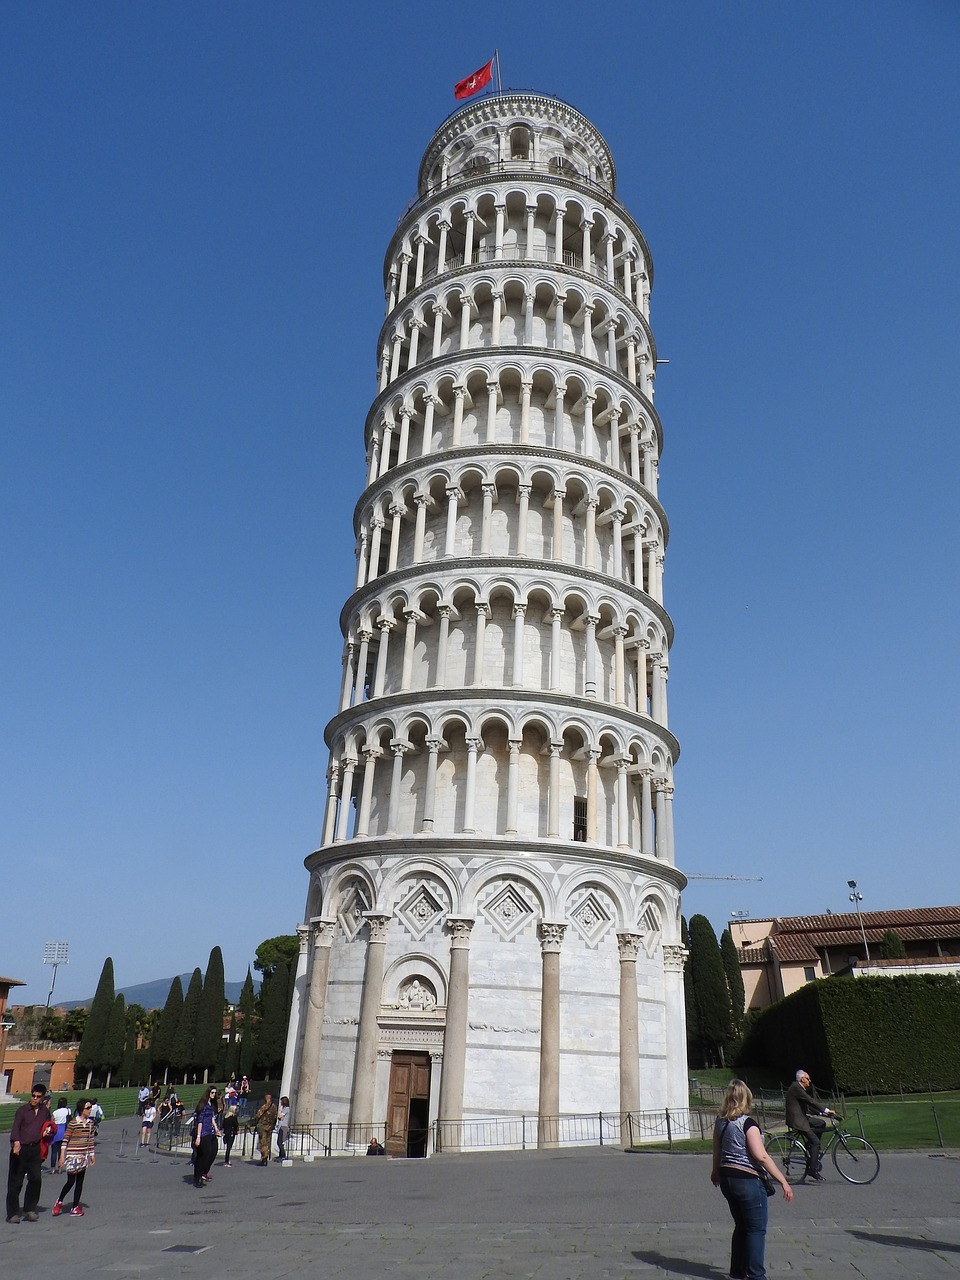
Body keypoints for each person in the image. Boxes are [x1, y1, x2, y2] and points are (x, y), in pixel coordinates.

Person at [712, 1078, 792, 1280]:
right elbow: (761, 1155)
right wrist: (782, 1180)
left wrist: (715, 1171)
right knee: (756, 1229)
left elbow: (716, 1150)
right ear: (746, 1098)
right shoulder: (748, 1123)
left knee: (741, 1225)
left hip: (727, 1177)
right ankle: (756, 1275)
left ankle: (737, 1271)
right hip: (748, 1180)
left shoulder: (721, 1122)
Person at [6, 1082, 52, 1223]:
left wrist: (48, 1131)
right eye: (33, 1095)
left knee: (36, 1179)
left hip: (35, 1149)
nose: (34, 1098)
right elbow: (16, 1128)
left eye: (38, 1096)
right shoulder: (22, 1111)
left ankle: (29, 1208)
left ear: (42, 1098)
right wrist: (16, 1142)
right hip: (21, 1148)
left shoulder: (44, 1111)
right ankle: (13, 1213)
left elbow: (48, 1125)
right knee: (16, 1181)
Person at [785, 1069, 837, 1182]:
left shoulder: (798, 1088)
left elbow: (808, 1106)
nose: (810, 1081)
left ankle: (810, 1147)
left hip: (802, 1117)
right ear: (802, 1079)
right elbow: (810, 1101)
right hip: (797, 1121)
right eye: (808, 1079)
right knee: (816, 1142)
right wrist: (826, 1109)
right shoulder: (796, 1088)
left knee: (821, 1123)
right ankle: (812, 1169)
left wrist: (822, 1113)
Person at [52, 1099, 97, 1218]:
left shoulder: (90, 1124)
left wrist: (92, 1155)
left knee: (80, 1182)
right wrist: (62, 1156)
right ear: (82, 1109)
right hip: (72, 1156)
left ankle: (75, 1207)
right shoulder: (73, 1123)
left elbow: (91, 1140)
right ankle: (59, 1202)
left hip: (83, 1156)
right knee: (70, 1181)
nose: (90, 1110)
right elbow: (65, 1140)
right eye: (88, 1108)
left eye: (90, 1107)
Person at [192, 1088, 222, 1187]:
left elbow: (212, 1118)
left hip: (211, 1132)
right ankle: (198, 1177)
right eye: (212, 1092)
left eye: (215, 1093)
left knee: (213, 1151)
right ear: (208, 1093)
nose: (214, 1094)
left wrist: (216, 1129)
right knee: (204, 1154)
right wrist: (198, 1136)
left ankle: (204, 1171)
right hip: (203, 1132)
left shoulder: (211, 1105)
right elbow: (200, 1121)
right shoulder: (203, 1106)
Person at [253, 1093, 277, 1166]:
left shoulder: (265, 1106)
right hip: (270, 1127)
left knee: (263, 1143)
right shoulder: (274, 1107)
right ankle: (265, 1157)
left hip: (263, 1126)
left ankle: (264, 1158)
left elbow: (258, 1115)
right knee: (267, 1142)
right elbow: (275, 1117)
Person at [49, 1097, 72, 1172]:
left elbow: (52, 1122)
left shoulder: (55, 1112)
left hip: (56, 1131)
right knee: (61, 1151)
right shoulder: (68, 1110)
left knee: (54, 1151)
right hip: (64, 1131)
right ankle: (60, 1167)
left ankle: (52, 1168)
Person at [276, 1096, 291, 1162]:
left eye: (281, 1101)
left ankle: (283, 1155)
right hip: (281, 1126)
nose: (280, 1103)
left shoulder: (286, 1109)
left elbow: (280, 1116)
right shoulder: (285, 1108)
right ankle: (280, 1155)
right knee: (279, 1141)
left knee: (280, 1142)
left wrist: (279, 1115)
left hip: (283, 1127)